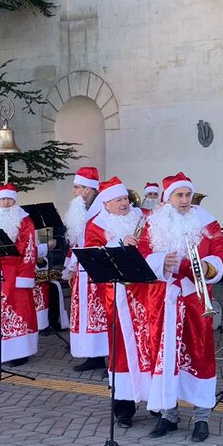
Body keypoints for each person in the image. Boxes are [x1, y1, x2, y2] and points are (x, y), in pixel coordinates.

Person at [138, 172, 223, 442]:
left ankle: (202, 417)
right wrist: (159, 262)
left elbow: (222, 252)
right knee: (165, 356)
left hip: (194, 298)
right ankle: (169, 415)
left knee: (199, 353)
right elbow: (143, 253)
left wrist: (209, 265)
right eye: (179, 195)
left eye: (188, 194)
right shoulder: (153, 223)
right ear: (168, 198)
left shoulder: (206, 221)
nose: (185, 200)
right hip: (163, 299)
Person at [83, 176, 151, 427]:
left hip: (145, 296)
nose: (124, 203)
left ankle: (153, 401)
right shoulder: (96, 225)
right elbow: (92, 256)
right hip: (117, 297)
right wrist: (119, 244)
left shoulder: (143, 219)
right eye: (118, 200)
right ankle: (124, 408)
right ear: (106, 203)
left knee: (149, 349)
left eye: (125, 198)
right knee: (121, 351)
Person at [0, 184, 41, 367]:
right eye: (2, 199)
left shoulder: (25, 221)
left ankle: (20, 352)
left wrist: (23, 276)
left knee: (17, 310)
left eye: (9, 199)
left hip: (16, 273)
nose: (6, 203)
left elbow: (29, 249)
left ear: (15, 200)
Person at [64, 166, 109, 371]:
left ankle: (103, 356)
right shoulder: (83, 210)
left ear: (89, 189)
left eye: (77, 187)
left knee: (99, 315)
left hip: (98, 272)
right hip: (83, 272)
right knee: (86, 316)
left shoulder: (102, 209)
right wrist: (71, 266)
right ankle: (93, 355)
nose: (74, 192)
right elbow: (76, 242)